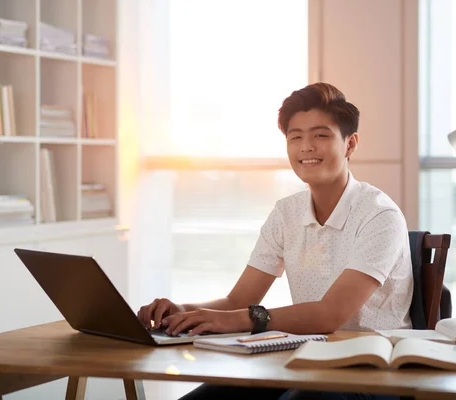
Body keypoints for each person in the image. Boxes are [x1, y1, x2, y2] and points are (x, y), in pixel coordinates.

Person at [138, 82, 413, 400]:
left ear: (350, 144)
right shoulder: (286, 213)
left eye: (320, 136)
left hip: (374, 368)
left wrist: (239, 320)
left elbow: (330, 315)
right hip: (306, 358)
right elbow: (237, 302)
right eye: (295, 137)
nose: (306, 147)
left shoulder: (380, 215)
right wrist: (182, 312)